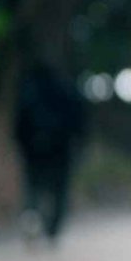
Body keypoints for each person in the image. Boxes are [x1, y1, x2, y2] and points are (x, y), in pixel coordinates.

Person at [13, 59, 88, 243]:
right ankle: (52, 229)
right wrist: (79, 142)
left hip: (34, 149)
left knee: (33, 187)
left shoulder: (30, 90)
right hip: (61, 149)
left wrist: (21, 144)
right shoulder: (67, 89)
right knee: (59, 190)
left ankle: (31, 217)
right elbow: (79, 120)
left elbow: (19, 121)